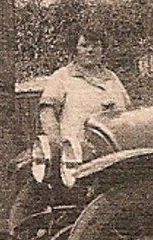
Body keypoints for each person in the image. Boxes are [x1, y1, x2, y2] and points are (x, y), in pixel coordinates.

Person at [37, 25, 131, 171]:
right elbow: (47, 113)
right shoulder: (63, 77)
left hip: (113, 154)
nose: (90, 51)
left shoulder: (111, 78)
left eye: (96, 46)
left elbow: (128, 111)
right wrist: (59, 145)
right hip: (77, 156)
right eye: (84, 46)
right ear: (75, 50)